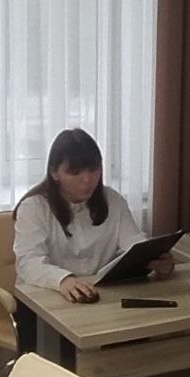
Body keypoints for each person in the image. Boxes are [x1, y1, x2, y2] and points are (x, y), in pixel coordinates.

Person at [14, 128, 174, 304]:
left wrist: (154, 259)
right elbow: (29, 262)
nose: (87, 180)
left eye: (93, 169)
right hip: (46, 299)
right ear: (54, 173)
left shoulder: (112, 200)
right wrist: (63, 280)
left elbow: (133, 242)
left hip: (98, 297)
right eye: (75, 172)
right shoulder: (33, 208)